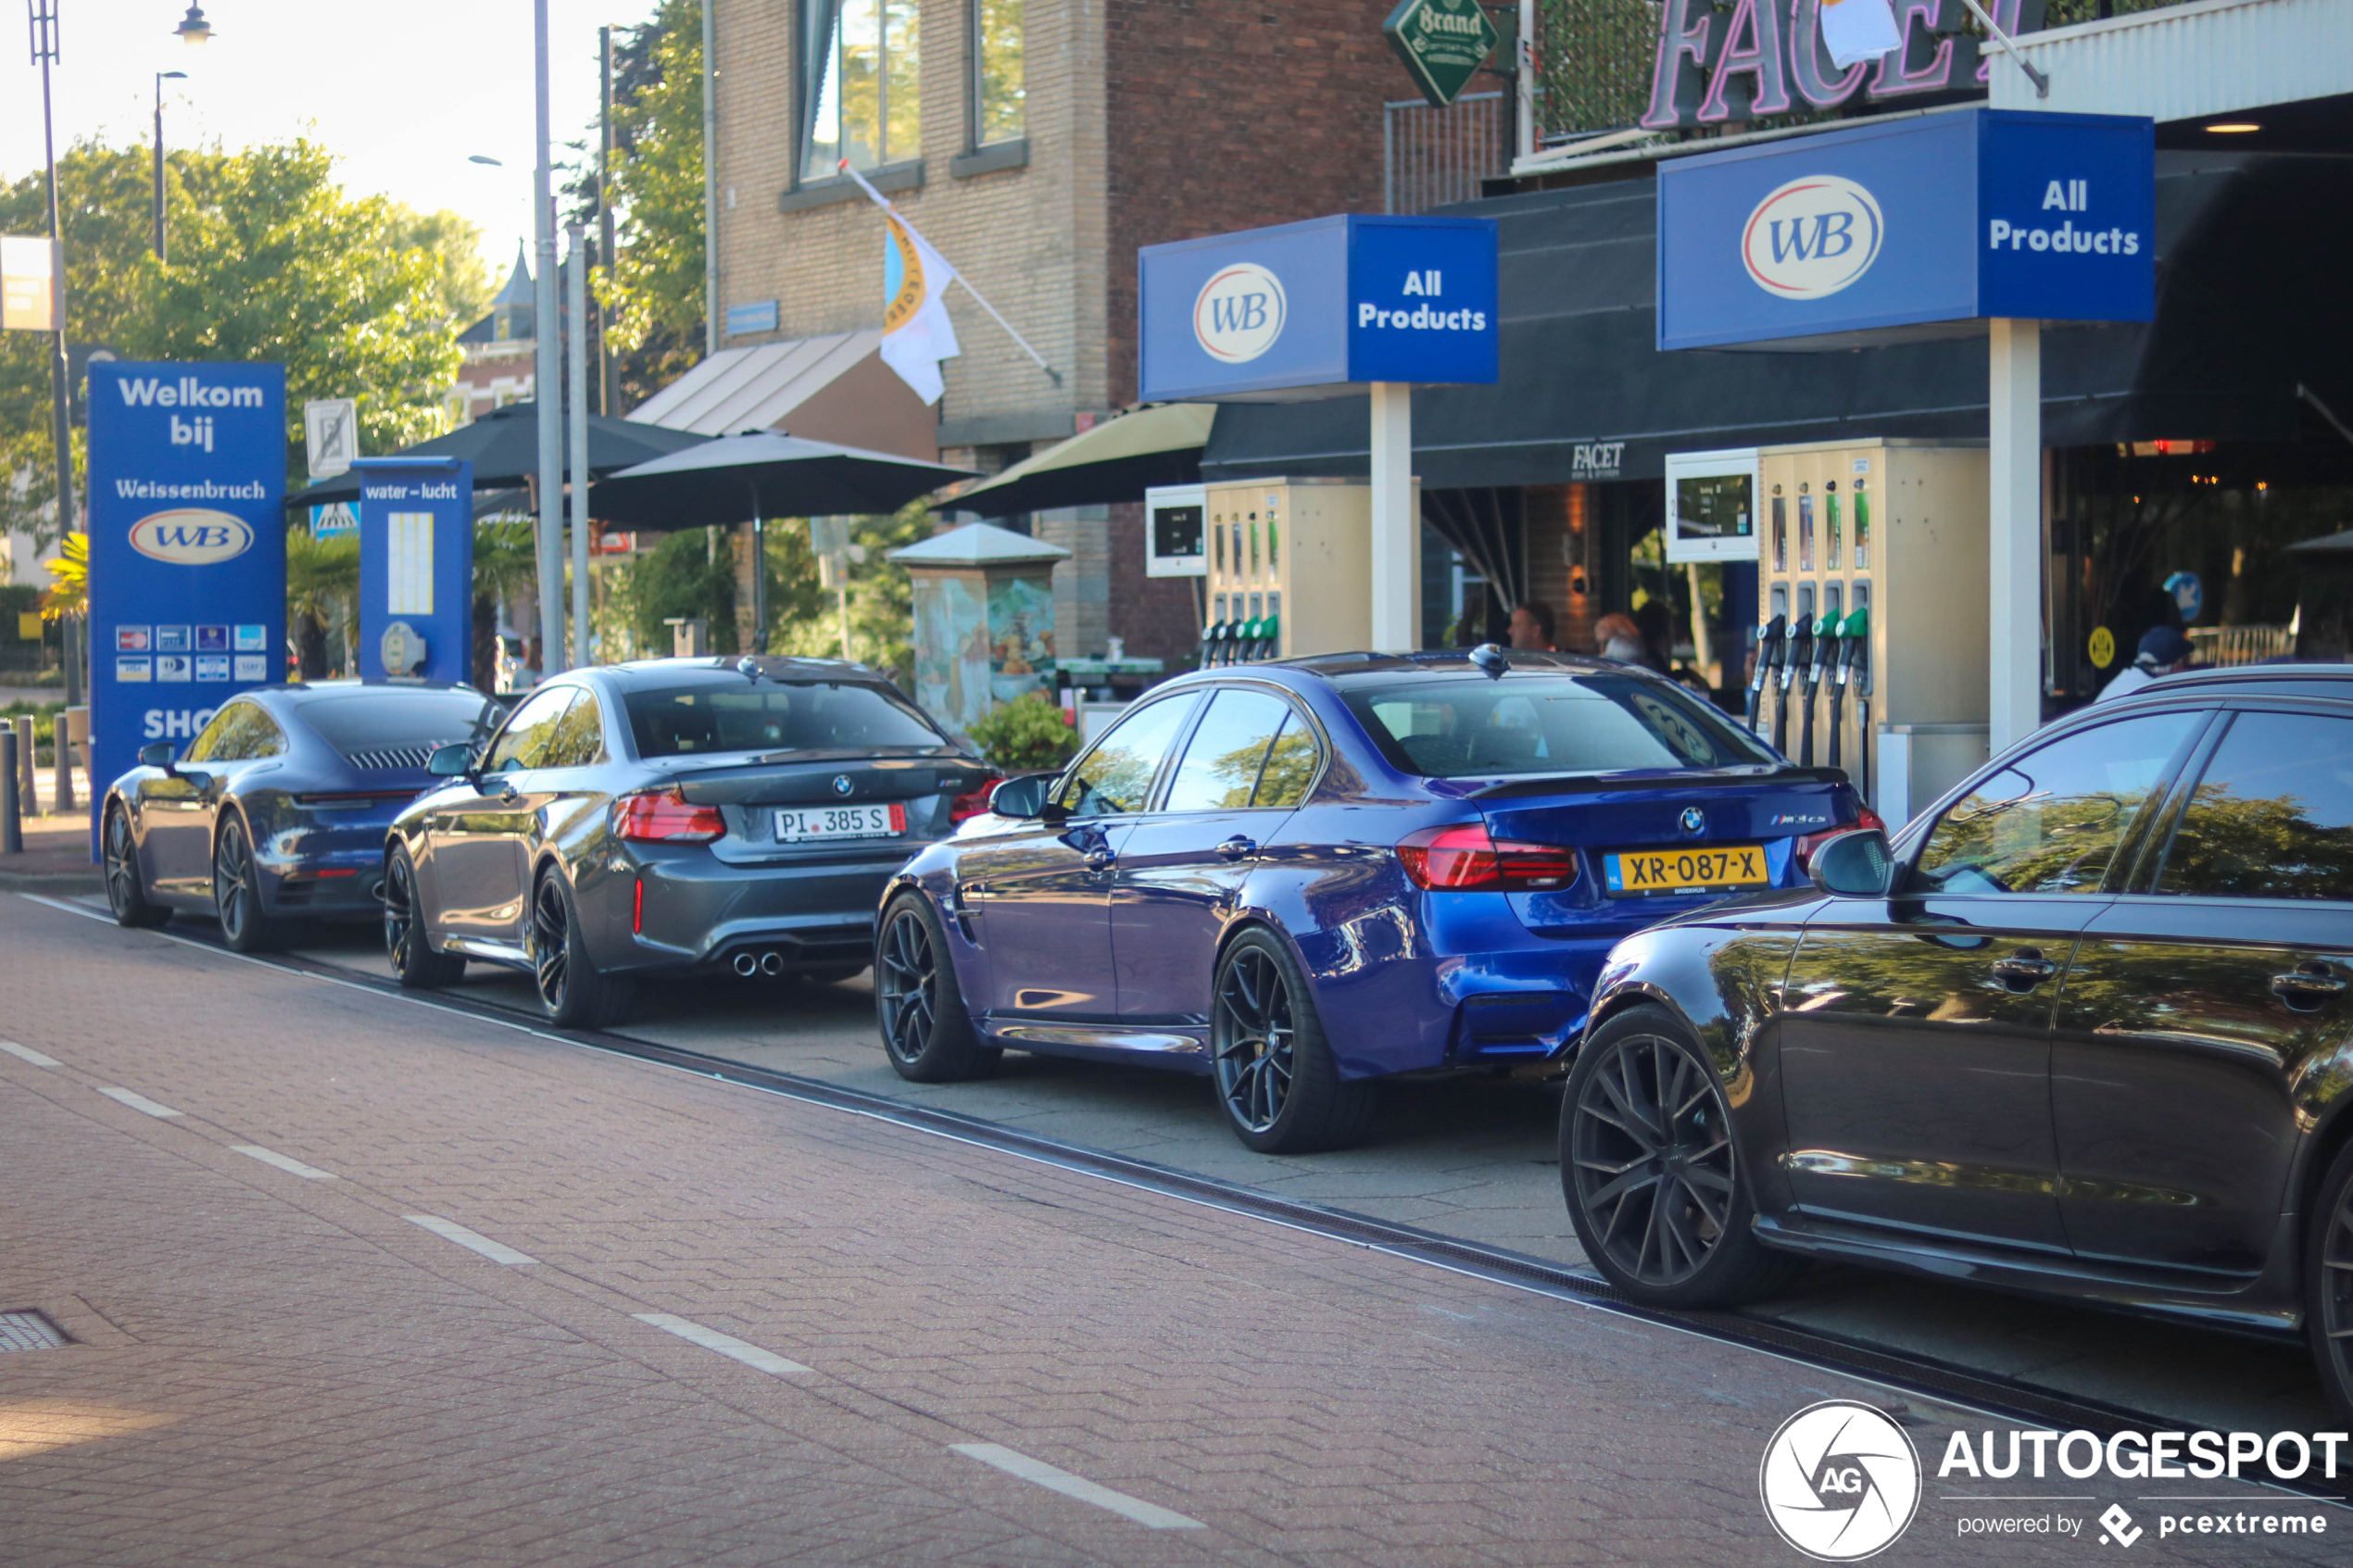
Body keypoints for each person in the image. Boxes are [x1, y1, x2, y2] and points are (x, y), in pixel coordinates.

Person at [2096, 625, 2195, 704]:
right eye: (2184, 664)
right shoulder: (2149, 695)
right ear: (2175, 666)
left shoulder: (2128, 681)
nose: (2186, 671)